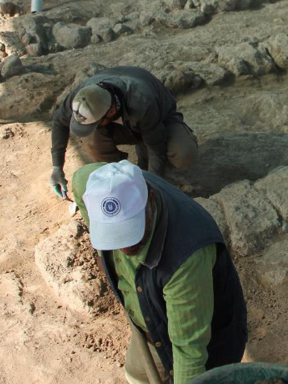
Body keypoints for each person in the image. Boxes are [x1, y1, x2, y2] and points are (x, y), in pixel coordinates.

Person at [73, 161, 248, 383]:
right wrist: (101, 251)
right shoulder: (91, 181)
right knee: (137, 374)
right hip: (151, 316)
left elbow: (189, 352)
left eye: (132, 234)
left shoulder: (185, 258)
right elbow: (78, 184)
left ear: (151, 201)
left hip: (207, 340)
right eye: (115, 236)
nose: (124, 249)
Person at [49, 66, 198, 198]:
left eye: (96, 122)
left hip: (159, 118)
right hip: (127, 120)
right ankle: (120, 173)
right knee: (91, 138)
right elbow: (58, 122)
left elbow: (155, 148)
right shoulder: (83, 97)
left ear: (111, 110)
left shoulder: (141, 102)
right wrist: (57, 167)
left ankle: (156, 145)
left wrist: (151, 187)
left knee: (183, 154)